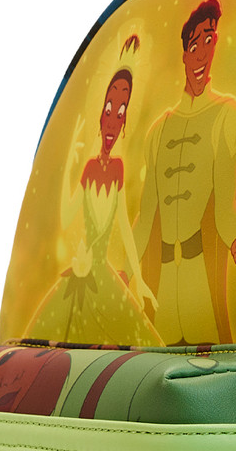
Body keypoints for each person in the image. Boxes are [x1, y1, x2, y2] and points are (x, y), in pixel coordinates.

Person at [133, 0, 236, 345]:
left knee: (208, 366)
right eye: (194, 46)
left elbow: (225, 203)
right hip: (161, 289)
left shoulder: (227, 116)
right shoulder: (158, 131)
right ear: (184, 55)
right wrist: (124, 267)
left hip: (201, 285)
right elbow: (146, 215)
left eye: (209, 41)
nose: (202, 55)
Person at [27, 35, 159, 344]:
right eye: (109, 109)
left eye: (121, 112)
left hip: (103, 276)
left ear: (125, 120)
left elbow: (124, 226)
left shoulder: (118, 169)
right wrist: (69, 167)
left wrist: (139, 279)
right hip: (78, 275)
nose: (112, 121)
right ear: (100, 113)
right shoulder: (88, 169)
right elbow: (67, 214)